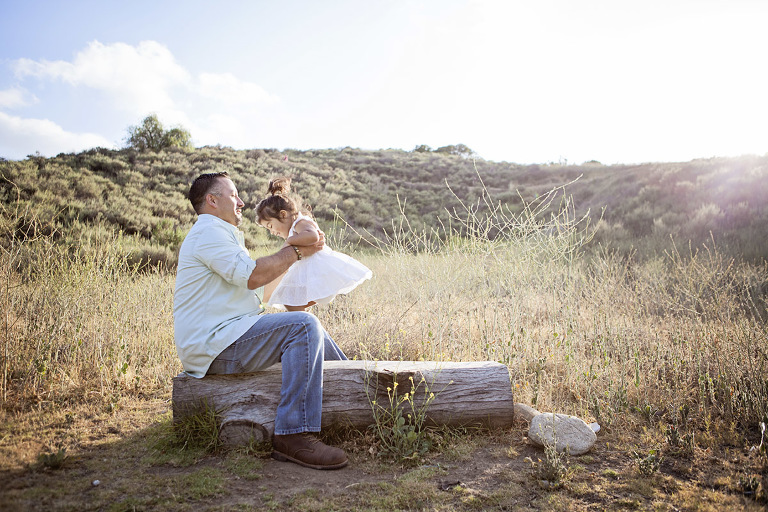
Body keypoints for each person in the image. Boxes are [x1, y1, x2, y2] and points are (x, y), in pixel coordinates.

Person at [173, 171, 349, 470]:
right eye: (234, 195)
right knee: (303, 326)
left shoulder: (221, 235)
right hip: (215, 345)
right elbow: (254, 275)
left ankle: (360, 389)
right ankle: (292, 436)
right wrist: (295, 250)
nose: (241, 202)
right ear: (212, 200)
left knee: (308, 325)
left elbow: (261, 291)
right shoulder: (209, 234)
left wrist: (300, 259)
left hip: (229, 335)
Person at [255, 177, 372, 311]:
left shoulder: (300, 223)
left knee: (290, 300)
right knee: (289, 301)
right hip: (311, 278)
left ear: (283, 215)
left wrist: (289, 241)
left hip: (319, 275)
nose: (272, 232)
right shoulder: (295, 228)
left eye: (270, 226)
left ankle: (301, 319)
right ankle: (301, 318)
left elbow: (313, 236)